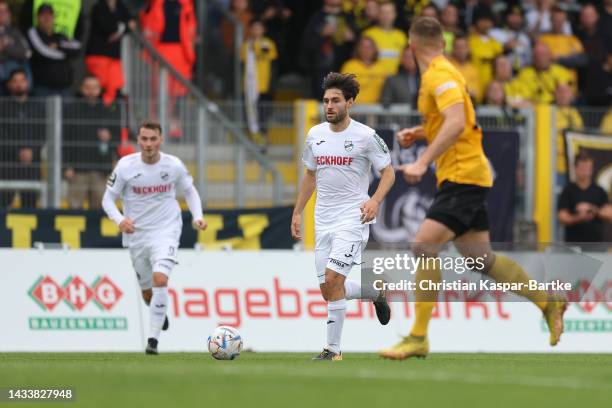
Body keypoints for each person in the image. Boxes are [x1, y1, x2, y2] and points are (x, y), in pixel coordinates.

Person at [379, 17, 567, 360]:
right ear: (444, 44)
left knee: (423, 246)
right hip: (466, 174)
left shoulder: (438, 75)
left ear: (410, 46)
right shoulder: (445, 73)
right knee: (482, 259)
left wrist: (422, 161)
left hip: (463, 175)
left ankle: (418, 336)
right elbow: (457, 117)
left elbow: (457, 122)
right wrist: (420, 133)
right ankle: (548, 302)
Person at [291, 72, 395, 361]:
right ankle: (376, 293)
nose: (329, 106)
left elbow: (388, 173)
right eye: (326, 101)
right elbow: (310, 175)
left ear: (350, 102)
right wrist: (298, 211)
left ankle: (332, 350)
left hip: (352, 218)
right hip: (322, 219)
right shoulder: (315, 135)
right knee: (329, 289)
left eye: (335, 100)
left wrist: (374, 201)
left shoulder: (366, 136)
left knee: (335, 278)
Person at [101, 120, 208, 355]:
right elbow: (107, 200)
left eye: (153, 139)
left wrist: (197, 216)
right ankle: (158, 313)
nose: (148, 144)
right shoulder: (125, 166)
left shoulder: (174, 165)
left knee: (160, 279)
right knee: (148, 292)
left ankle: (153, 340)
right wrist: (120, 220)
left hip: (166, 230)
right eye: (144, 139)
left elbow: (189, 190)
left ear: (161, 140)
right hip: (137, 235)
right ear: (138, 141)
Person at [63, 75, 119, 209]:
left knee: (101, 210)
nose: (91, 91)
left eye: (94, 88)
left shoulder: (108, 111)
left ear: (100, 90)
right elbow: (64, 140)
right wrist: (66, 166)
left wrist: (109, 138)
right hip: (77, 170)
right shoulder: (71, 111)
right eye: (87, 88)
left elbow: (117, 139)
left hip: (101, 170)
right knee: (74, 210)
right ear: (81, 89)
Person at [0, 68, 45, 208]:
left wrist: (33, 151)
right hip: (7, 163)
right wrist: (17, 152)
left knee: (30, 205)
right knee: (3, 204)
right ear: (9, 85)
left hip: (31, 164)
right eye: (15, 81)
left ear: (28, 82)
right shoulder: (2, 106)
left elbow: (43, 133)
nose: (19, 84)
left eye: (22, 80)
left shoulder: (38, 107)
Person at [85, 0, 136, 106]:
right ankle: (95, 113)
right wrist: (123, 27)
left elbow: (132, 23)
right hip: (98, 55)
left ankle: (107, 114)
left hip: (114, 56)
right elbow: (106, 27)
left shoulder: (121, 6)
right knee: (96, 90)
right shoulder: (98, 7)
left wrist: (119, 29)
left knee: (115, 88)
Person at [26, 4, 81, 97]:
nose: (46, 18)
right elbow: (43, 51)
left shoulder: (60, 36)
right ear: (37, 18)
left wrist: (58, 46)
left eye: (49, 15)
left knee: (68, 111)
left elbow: (77, 48)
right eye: (43, 15)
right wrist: (65, 53)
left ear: (54, 17)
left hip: (64, 88)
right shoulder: (33, 32)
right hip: (43, 88)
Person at [558, 153, 612, 243]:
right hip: (573, 245)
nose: (585, 171)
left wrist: (592, 209)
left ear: (591, 169)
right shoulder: (568, 191)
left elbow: (609, 214)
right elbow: (562, 217)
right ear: (575, 168)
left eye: (587, 168)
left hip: (596, 244)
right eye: (582, 168)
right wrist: (578, 217)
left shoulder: (599, 191)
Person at [362, 1, 407, 75]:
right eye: (383, 13)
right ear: (378, 15)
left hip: (395, 79)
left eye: (389, 12)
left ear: (394, 14)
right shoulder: (368, 34)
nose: (386, 16)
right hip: (374, 79)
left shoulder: (401, 36)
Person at [340, 36, 387, 103]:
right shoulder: (349, 66)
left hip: (376, 110)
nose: (366, 50)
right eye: (363, 47)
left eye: (369, 47)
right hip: (354, 109)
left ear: (374, 49)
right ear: (358, 49)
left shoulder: (382, 68)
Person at [0, 0, 31, 90]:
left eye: (4, 11)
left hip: (12, 81)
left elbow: (27, 53)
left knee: (17, 68)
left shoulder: (15, 32)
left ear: (9, 14)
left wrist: (6, 46)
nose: (1, 14)